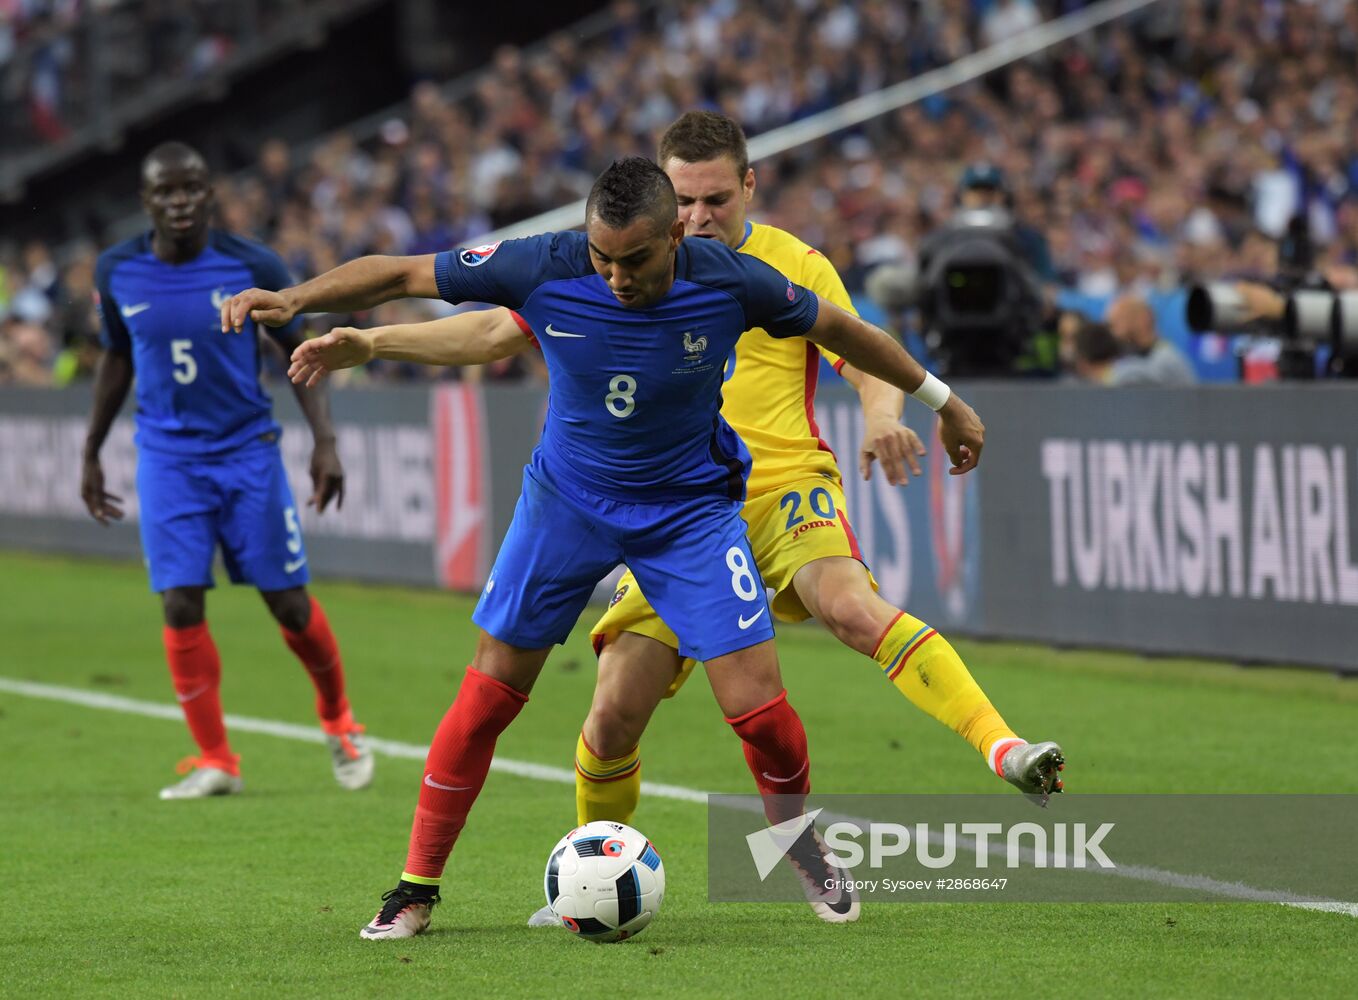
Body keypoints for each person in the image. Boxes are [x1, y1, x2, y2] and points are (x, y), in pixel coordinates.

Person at [227, 156, 986, 940]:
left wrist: (945, 403)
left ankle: (796, 841)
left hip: (690, 514)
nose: (616, 277)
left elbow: (848, 334)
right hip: (566, 505)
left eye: (635, 259)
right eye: (603, 258)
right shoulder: (545, 262)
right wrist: (296, 298)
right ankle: (415, 887)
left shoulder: (730, 278)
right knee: (489, 693)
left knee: (758, 712)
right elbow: (401, 272)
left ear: (674, 238)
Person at [81, 142, 373, 800]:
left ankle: (340, 721)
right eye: (167, 191)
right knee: (181, 600)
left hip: (246, 454)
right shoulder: (117, 270)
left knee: (290, 606)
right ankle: (216, 759)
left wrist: (325, 441)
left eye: (192, 188)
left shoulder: (251, 263)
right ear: (145, 201)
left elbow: (299, 353)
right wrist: (91, 447)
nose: (180, 201)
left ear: (211, 194)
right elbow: (118, 358)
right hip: (166, 457)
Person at [1105, 294, 1197, 387]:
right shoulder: (1124, 359)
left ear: (1142, 319)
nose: (1114, 332)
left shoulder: (1167, 360)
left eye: (1117, 323)